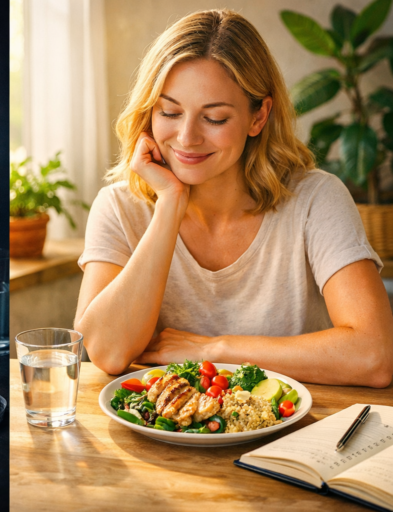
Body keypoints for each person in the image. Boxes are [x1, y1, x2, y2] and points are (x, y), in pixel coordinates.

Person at [74, 9, 393, 387]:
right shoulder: (118, 207)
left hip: (296, 435)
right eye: (170, 112)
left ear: (258, 117)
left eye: (215, 119)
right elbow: (107, 352)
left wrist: (216, 350)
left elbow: (375, 356)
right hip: (166, 438)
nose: (187, 137)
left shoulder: (316, 199)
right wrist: (170, 205)